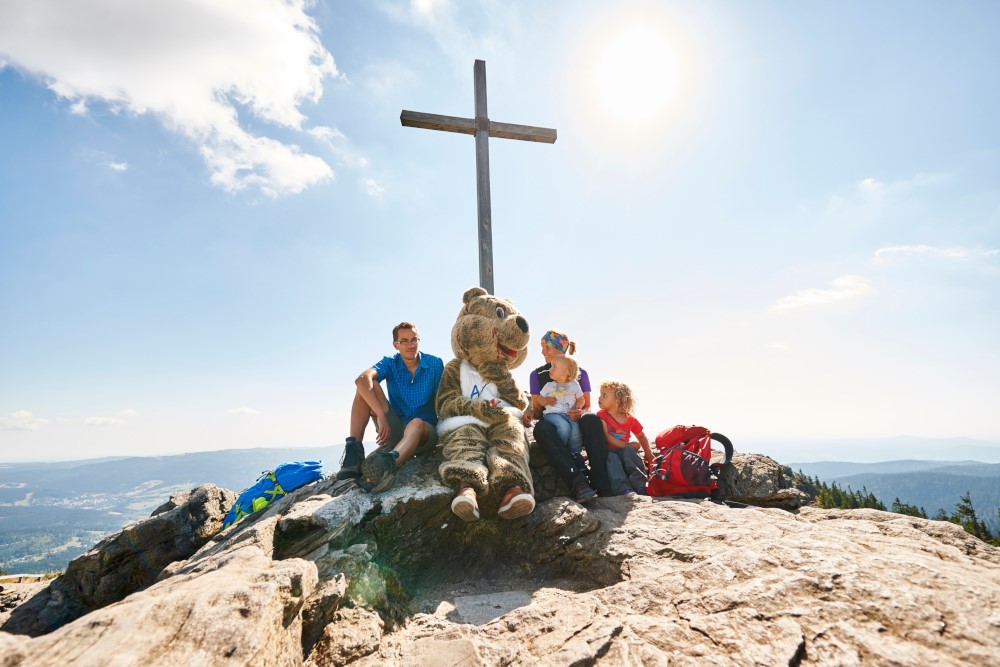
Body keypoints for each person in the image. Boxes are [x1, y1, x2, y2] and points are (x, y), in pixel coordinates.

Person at [335, 322, 444, 492]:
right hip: (397, 428)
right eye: (404, 341)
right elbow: (362, 380)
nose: (411, 345)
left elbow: (442, 400)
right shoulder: (390, 363)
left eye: (414, 339)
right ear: (396, 345)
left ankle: (388, 464)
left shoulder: (435, 364)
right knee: (368, 386)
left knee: (416, 422)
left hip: (424, 433)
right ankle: (353, 453)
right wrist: (380, 414)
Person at [528, 329, 610, 501]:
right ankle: (578, 483)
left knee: (592, 419)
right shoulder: (536, 375)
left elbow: (587, 405)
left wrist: (580, 412)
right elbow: (537, 410)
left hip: (575, 420)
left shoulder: (580, 373)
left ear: (560, 349)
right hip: (553, 423)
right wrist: (528, 413)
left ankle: (602, 482)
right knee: (542, 428)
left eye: (547, 347)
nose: (543, 351)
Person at [596, 380, 654, 496]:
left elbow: (641, 436)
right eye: (601, 394)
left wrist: (648, 453)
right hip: (609, 451)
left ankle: (640, 486)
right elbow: (606, 436)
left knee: (629, 451)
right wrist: (626, 445)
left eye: (604, 395)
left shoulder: (630, 419)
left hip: (623, 451)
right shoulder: (602, 415)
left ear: (617, 401)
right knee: (612, 457)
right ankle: (623, 488)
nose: (600, 397)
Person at [539, 355, 586, 470]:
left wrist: (577, 407)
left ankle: (575, 455)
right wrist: (545, 401)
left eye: (554, 367)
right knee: (563, 426)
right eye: (551, 366)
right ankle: (560, 452)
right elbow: (540, 400)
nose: (550, 369)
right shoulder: (549, 385)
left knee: (575, 430)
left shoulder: (574, 385)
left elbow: (581, 399)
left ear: (565, 372)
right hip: (552, 414)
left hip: (569, 414)